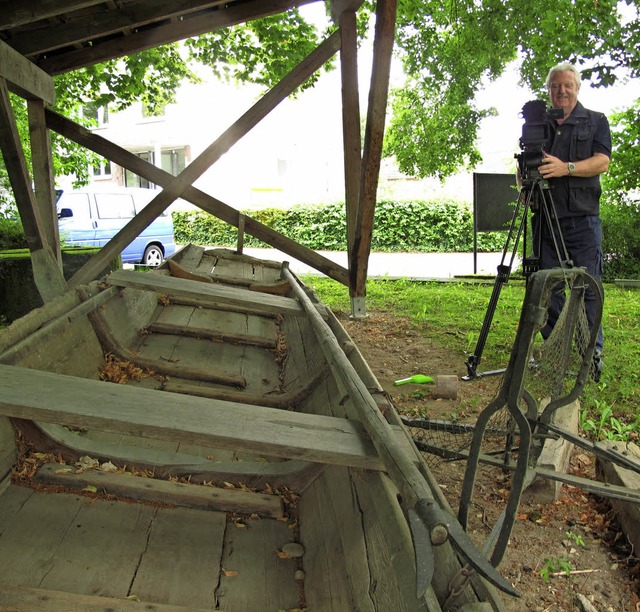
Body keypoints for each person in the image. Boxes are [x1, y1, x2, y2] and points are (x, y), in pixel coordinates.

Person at [534, 61, 612, 381]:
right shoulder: (539, 125)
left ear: (577, 88)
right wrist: (526, 182)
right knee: (548, 290)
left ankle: (590, 356)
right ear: (549, 90)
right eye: (555, 86)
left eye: (567, 85)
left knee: (587, 289)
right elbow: (526, 159)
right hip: (546, 219)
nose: (561, 91)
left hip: (582, 220)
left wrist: (565, 167)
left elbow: (602, 162)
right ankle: (555, 349)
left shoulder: (595, 121)